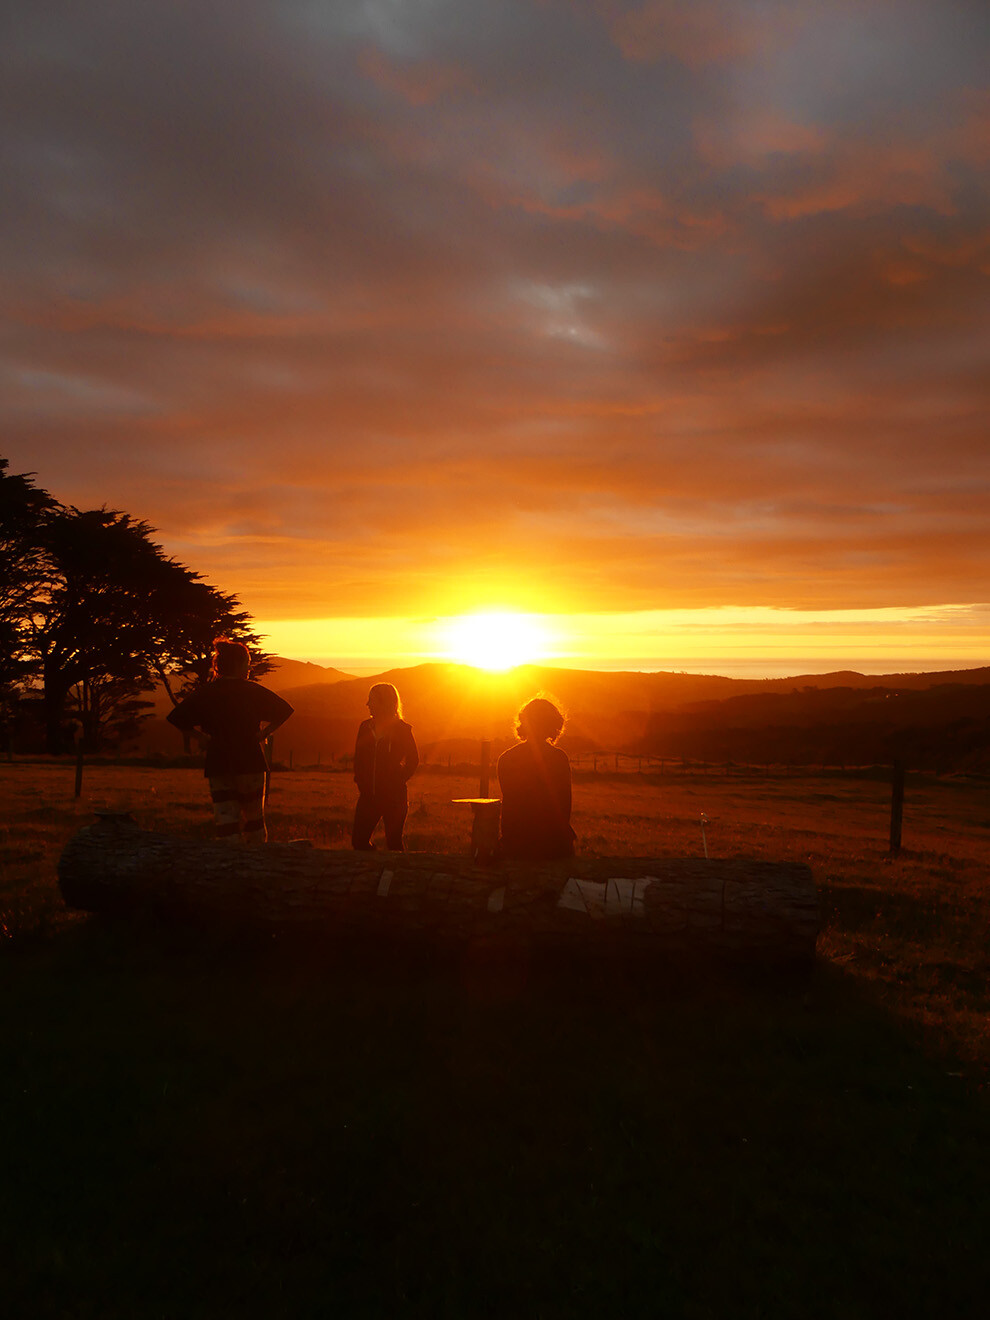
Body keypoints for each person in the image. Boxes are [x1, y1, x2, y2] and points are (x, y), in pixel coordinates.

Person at [166, 639, 293, 845]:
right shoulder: (252, 691)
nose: (249, 667)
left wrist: (201, 738)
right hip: (250, 759)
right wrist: (265, 733)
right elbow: (285, 710)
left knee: (226, 820)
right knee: (254, 820)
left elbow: (175, 718)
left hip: (218, 760)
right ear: (239, 664)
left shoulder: (208, 692)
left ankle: (227, 865)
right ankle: (257, 863)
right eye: (247, 662)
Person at [497, 695, 575, 860]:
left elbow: (510, 805)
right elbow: (564, 807)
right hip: (553, 845)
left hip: (516, 843)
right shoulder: (558, 758)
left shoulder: (506, 758)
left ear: (524, 724)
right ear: (553, 725)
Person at [351, 683, 419, 851]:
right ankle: (374, 872)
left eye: (371, 700)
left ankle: (394, 875)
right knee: (358, 842)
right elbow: (358, 758)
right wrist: (361, 781)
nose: (367, 704)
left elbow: (413, 759)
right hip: (368, 796)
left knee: (394, 844)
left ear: (384, 703)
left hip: (394, 799)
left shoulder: (402, 730)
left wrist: (398, 779)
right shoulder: (365, 727)